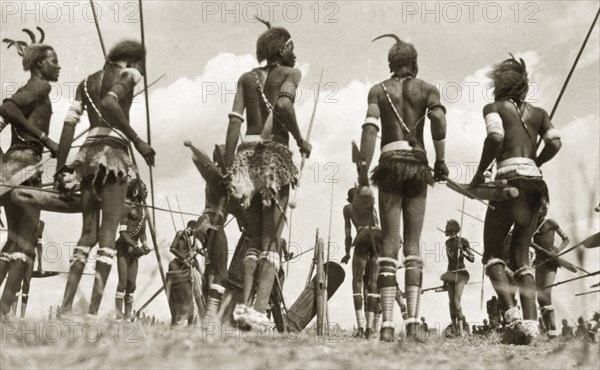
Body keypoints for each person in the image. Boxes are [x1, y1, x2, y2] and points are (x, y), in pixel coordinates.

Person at [54, 40, 155, 318]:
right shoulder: (129, 75)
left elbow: (68, 124)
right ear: (134, 61)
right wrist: (138, 141)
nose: (142, 73)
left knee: (87, 235)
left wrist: (61, 168)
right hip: (114, 156)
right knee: (107, 236)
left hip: (87, 156)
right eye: (142, 67)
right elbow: (110, 102)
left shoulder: (86, 83)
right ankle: (92, 313)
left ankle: (64, 309)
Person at [359, 34, 448, 341]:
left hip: (388, 163)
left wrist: (362, 168)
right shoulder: (428, 89)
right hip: (418, 162)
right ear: (414, 63)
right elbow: (438, 118)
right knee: (412, 246)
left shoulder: (378, 90)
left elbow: (370, 129)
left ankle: (385, 326)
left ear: (391, 64)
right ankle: (411, 321)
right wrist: (441, 160)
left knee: (389, 246)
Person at [469, 55, 562, 345]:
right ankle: (532, 327)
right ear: (523, 87)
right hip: (536, 184)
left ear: (499, 85)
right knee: (522, 257)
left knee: (493, 254)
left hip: (507, 182)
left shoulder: (493, 108)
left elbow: (495, 138)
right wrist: (536, 160)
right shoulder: (540, 113)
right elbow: (556, 143)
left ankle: (512, 318)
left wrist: (480, 173)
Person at [227, 20, 311, 328]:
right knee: (273, 239)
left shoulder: (246, 79)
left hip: (245, 159)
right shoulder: (290, 74)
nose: (295, 52)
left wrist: (228, 169)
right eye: (291, 46)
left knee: (254, 238)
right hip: (274, 155)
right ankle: (259, 312)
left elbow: (235, 123)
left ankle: (243, 308)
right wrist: (301, 140)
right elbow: (285, 106)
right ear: (280, 49)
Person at [0, 28, 60, 318]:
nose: (58, 66)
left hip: (13, 166)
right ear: (40, 65)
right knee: (24, 244)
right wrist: (46, 139)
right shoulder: (41, 87)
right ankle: (3, 311)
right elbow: (8, 107)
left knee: (13, 241)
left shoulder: (36, 88)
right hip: (25, 167)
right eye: (54, 61)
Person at [341, 186, 382, 339]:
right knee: (373, 282)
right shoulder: (372, 207)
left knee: (357, 281)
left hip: (363, 235)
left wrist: (347, 253)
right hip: (379, 237)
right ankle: (370, 329)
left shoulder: (348, 208)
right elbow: (377, 224)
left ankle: (360, 327)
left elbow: (348, 234)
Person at [115, 180, 151, 319]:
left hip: (134, 252)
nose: (145, 191)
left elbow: (142, 232)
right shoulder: (126, 207)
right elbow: (123, 233)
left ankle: (128, 316)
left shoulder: (143, 210)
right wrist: (135, 246)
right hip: (123, 248)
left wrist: (145, 244)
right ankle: (119, 317)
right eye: (143, 188)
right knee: (123, 283)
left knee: (132, 285)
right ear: (135, 191)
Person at [532, 200, 569, 338]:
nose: (538, 213)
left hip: (551, 263)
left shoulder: (551, 223)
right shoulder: (531, 227)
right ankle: (548, 332)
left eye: (540, 210)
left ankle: (553, 330)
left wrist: (557, 250)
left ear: (544, 211)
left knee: (546, 294)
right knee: (540, 298)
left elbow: (566, 239)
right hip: (538, 263)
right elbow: (525, 242)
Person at [441, 220, 474, 337]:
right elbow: (450, 261)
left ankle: (461, 332)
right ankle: (455, 330)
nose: (446, 230)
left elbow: (472, 258)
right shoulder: (447, 243)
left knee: (456, 301)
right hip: (450, 273)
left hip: (461, 273)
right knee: (451, 303)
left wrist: (463, 252)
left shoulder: (462, 241)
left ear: (452, 229)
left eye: (447, 228)